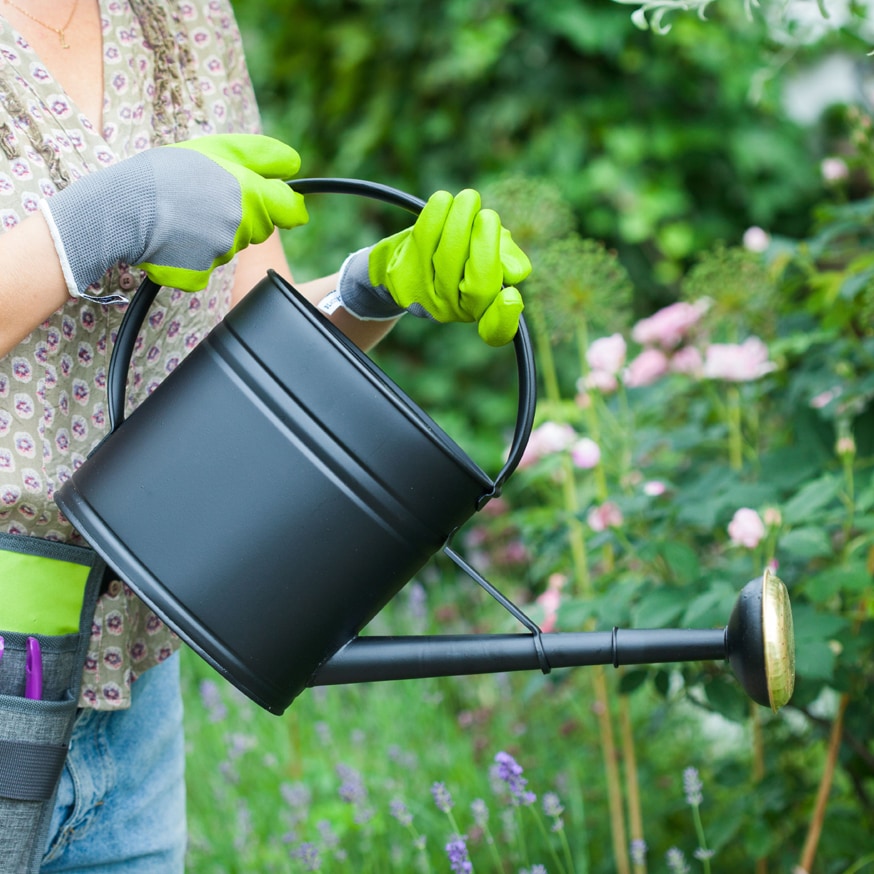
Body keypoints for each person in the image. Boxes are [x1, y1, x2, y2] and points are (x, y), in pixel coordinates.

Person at [0, 1, 531, 871]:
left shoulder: (182, 15)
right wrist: (96, 223)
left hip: (130, 691)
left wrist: (375, 288)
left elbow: (248, 357)